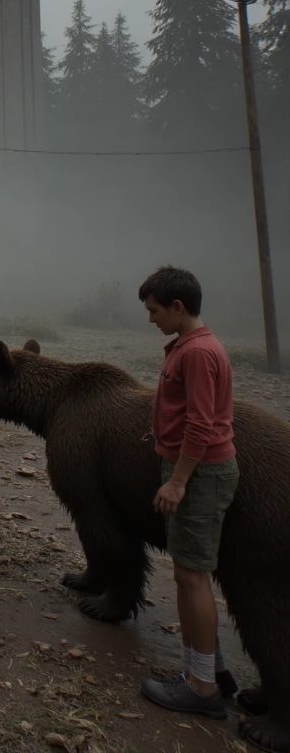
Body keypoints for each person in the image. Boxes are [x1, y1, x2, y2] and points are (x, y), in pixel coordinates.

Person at [138, 265, 239, 719]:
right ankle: (209, 669)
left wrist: (178, 481)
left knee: (192, 576)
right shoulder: (192, 346)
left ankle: (200, 687)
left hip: (198, 475)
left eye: (155, 310)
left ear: (179, 307)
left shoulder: (197, 353)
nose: (151, 318)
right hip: (195, 469)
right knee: (187, 573)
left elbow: (201, 423)